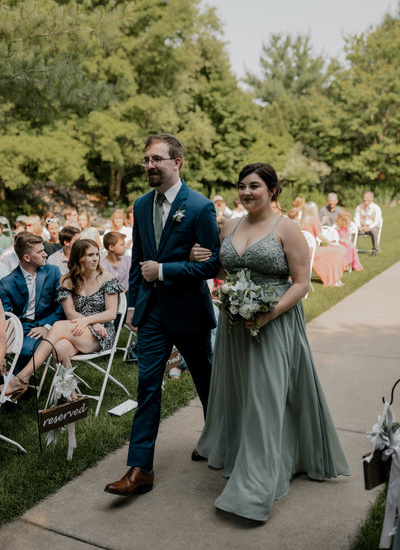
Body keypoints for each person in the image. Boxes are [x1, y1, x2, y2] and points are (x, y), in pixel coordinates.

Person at [192, 162, 351, 522]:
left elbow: (301, 282)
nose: (246, 192)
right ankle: (241, 454)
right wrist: (199, 259)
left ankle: (258, 480)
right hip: (235, 323)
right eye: (242, 186)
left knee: (267, 395)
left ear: (272, 190)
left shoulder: (288, 228)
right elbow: (222, 269)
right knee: (240, 392)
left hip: (275, 322)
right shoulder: (229, 225)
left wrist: (268, 313)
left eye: (254, 186)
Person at [104, 132, 220, 497]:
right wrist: (134, 305)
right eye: (146, 160)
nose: (150, 166)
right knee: (147, 387)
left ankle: (219, 441)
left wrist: (166, 270)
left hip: (189, 312)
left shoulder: (200, 207)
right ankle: (140, 469)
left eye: (157, 159)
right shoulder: (140, 205)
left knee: (207, 384)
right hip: (152, 314)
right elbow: (140, 259)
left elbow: (213, 264)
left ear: (177, 162)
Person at [0, 239, 124, 400]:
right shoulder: (67, 280)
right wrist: (91, 322)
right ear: (78, 258)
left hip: (102, 333)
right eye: (90, 255)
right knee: (59, 348)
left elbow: (111, 313)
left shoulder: (107, 278)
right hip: (78, 329)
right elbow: (70, 312)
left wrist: (90, 322)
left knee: (58, 326)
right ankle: (72, 398)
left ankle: (21, 378)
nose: (95, 259)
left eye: (97, 254)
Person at [0, 232, 65, 372]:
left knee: (25, 349)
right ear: (27, 257)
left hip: (47, 324)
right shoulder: (7, 283)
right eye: (40, 252)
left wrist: (46, 327)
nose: (45, 255)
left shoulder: (53, 272)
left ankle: (13, 385)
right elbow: (6, 316)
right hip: (19, 327)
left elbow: (61, 306)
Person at [300, 202, 347, 287]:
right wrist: (332, 243)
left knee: (335, 252)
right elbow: (320, 236)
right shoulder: (314, 220)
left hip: (303, 250)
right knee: (337, 251)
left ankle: (334, 278)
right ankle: (333, 279)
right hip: (312, 250)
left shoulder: (302, 221)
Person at [353, 191, 382, 256]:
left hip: (371, 228)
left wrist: (369, 227)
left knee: (374, 231)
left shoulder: (376, 208)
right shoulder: (359, 208)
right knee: (350, 230)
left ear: (372, 198)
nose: (365, 199)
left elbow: (377, 221)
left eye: (367, 197)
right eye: (364, 197)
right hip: (361, 228)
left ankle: (375, 250)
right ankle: (350, 249)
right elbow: (356, 218)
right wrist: (359, 226)